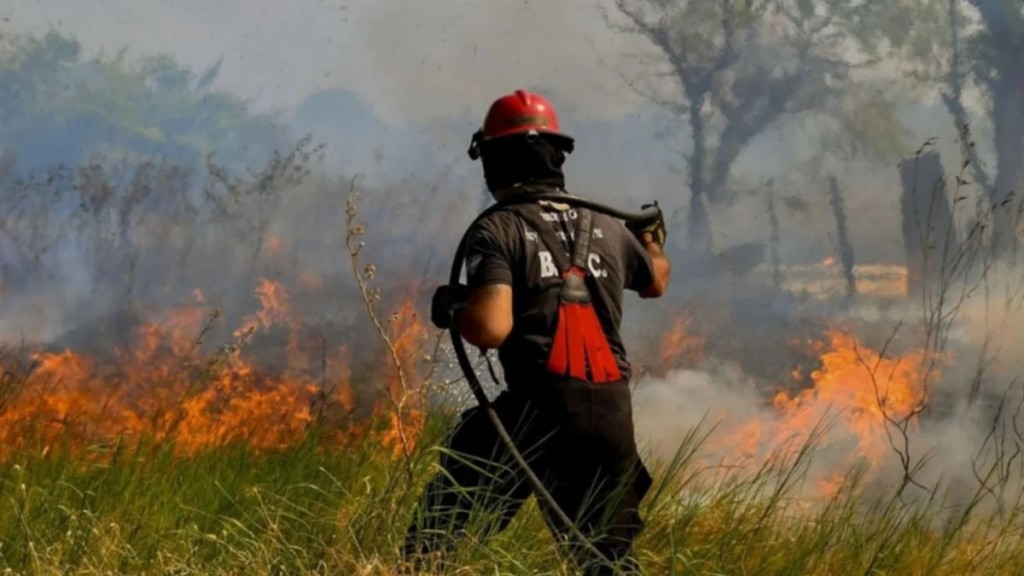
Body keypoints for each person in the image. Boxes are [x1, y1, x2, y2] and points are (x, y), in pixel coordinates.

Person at [403, 89, 671, 575]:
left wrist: (455, 305)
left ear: (491, 161)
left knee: (433, 545)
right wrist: (652, 242)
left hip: (535, 416)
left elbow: (490, 326)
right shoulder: (609, 226)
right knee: (606, 564)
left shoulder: (498, 229)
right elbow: (655, 282)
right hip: (611, 418)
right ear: (556, 155)